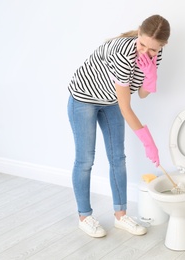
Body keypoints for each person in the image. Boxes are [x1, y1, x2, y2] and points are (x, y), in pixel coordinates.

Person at [67, 14, 170, 237]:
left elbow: (142, 94)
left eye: (153, 49)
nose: (146, 52)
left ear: (162, 45)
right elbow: (126, 107)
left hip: (110, 100)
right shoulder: (123, 53)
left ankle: (121, 216)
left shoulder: (156, 53)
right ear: (138, 34)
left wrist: (150, 76)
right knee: (85, 160)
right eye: (142, 44)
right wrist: (148, 142)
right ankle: (85, 217)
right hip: (84, 99)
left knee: (118, 157)